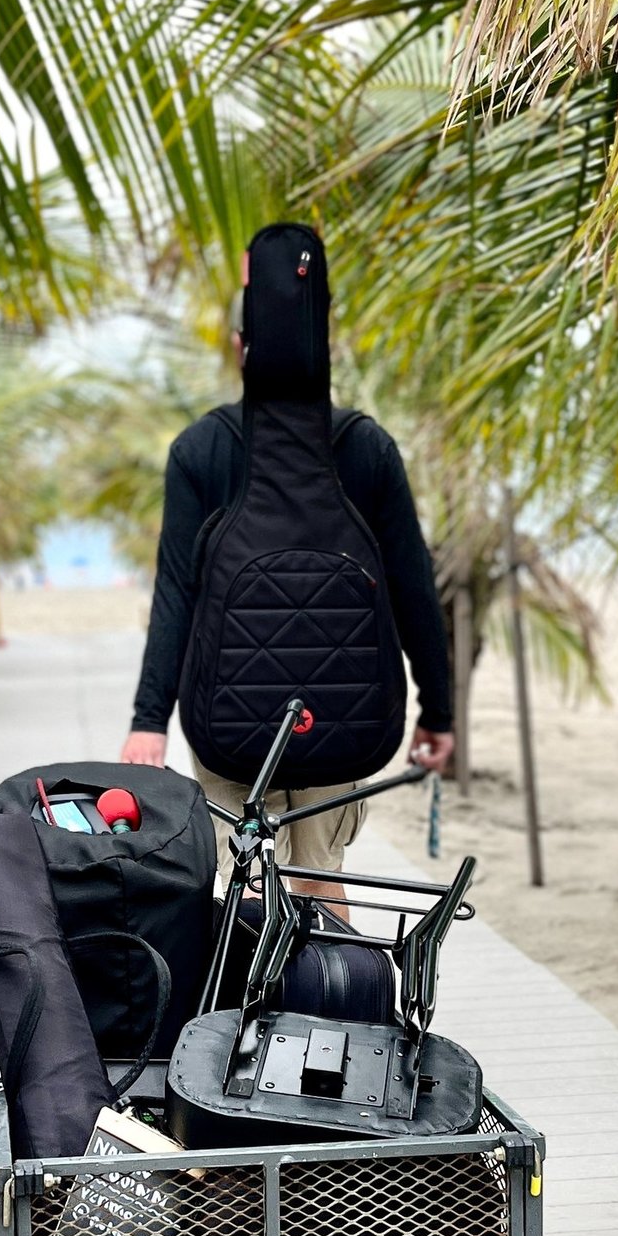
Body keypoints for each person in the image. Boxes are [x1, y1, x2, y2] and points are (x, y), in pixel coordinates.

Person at [121, 291, 454, 910]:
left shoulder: (202, 447)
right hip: (341, 714)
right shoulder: (364, 445)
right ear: (322, 348)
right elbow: (412, 586)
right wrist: (438, 710)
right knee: (322, 877)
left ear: (240, 348)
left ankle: (249, 975)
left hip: (226, 713)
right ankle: (334, 974)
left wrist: (149, 720)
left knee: (243, 884)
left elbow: (176, 593)